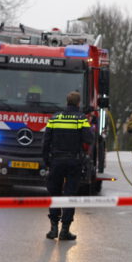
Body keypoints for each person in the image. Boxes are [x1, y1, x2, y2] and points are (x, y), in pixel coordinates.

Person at [42, 91, 93, 241]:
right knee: (70, 195)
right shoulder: (81, 119)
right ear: (78, 103)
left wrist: (47, 161)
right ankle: (65, 230)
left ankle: (53, 229)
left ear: (67, 102)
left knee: (55, 194)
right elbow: (88, 139)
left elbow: (46, 141)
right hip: (73, 162)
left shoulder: (55, 118)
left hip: (56, 162)